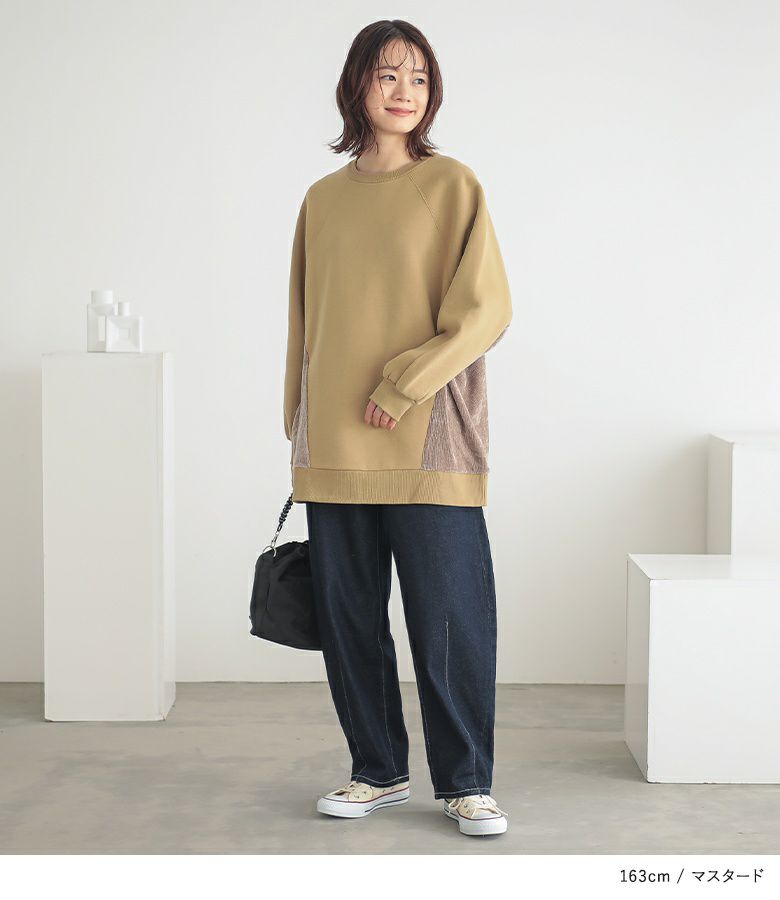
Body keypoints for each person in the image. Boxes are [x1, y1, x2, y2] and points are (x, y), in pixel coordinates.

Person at [283, 19, 512, 837]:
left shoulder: (451, 184)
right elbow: (304, 323)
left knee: (450, 618)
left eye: (418, 77)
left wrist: (405, 384)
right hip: (335, 440)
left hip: (427, 434)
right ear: (357, 85)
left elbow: (485, 311)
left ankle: (467, 782)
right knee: (349, 621)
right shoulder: (322, 199)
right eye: (387, 75)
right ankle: (375, 770)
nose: (404, 91)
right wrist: (299, 424)